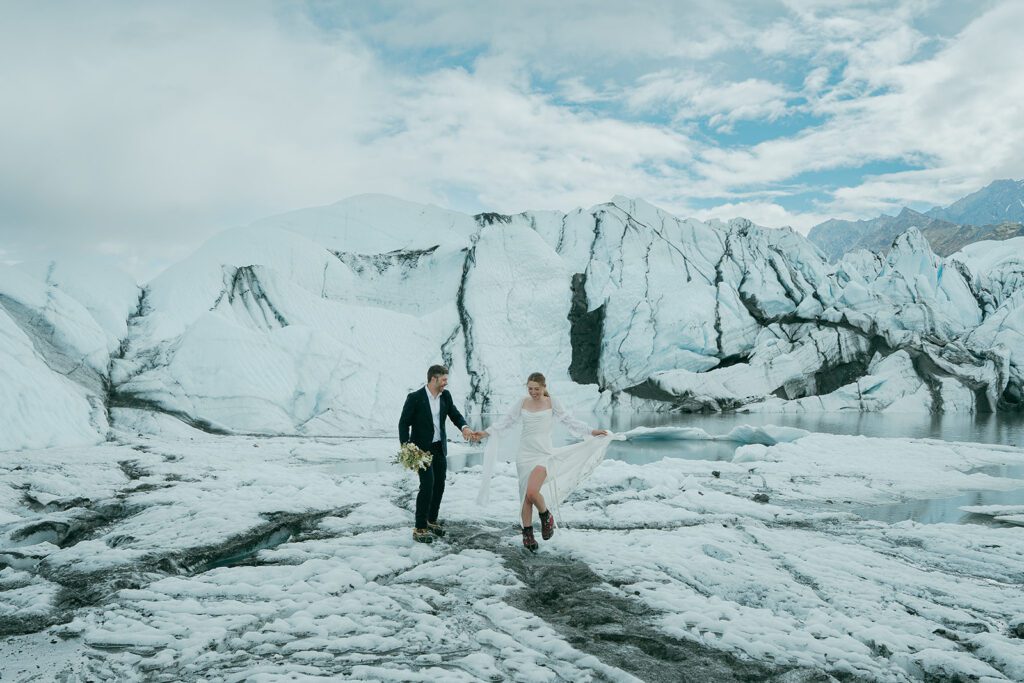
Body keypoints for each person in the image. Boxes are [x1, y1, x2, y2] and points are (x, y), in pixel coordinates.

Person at [474, 372, 616, 551]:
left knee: (533, 493)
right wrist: (485, 433)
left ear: (544, 387)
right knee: (525, 496)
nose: (533, 392)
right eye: (530, 389)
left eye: (537, 389)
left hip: (543, 454)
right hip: (524, 455)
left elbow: (569, 421)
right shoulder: (522, 402)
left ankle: (546, 515)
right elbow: (506, 422)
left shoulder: (551, 402)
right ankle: (528, 535)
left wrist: (591, 431)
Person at [399, 364, 477, 544]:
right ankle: (419, 527)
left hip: (439, 448)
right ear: (433, 379)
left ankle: (431, 520)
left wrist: (464, 427)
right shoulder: (415, 398)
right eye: (443, 380)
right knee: (427, 485)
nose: (445, 384)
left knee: (439, 484)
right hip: (420, 450)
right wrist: (406, 448)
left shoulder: (445, 396)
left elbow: (455, 414)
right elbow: (403, 424)